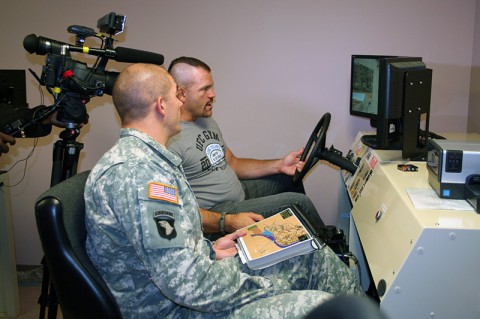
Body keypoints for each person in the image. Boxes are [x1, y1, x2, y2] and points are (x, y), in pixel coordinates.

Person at [85, 63, 364, 318]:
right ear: (161, 105)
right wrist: (269, 285)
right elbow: (186, 284)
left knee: (311, 255)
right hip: (173, 310)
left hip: (196, 278)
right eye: (175, 96)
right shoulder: (138, 174)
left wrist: (210, 250)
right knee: (313, 306)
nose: (180, 102)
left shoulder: (150, 161)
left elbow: (174, 254)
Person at [167, 56, 324, 239]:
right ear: (181, 94)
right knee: (299, 204)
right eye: (205, 89)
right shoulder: (171, 139)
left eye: (212, 87)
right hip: (219, 212)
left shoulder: (205, 120)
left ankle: (300, 243)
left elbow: (232, 162)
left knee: (288, 179)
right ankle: (332, 252)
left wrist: (279, 165)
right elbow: (177, 209)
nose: (213, 94)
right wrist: (227, 220)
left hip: (239, 193)